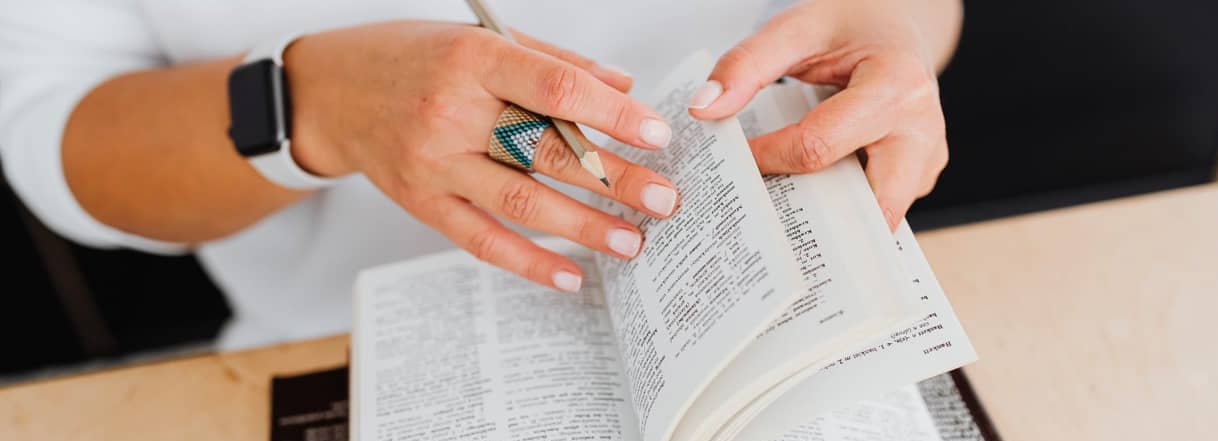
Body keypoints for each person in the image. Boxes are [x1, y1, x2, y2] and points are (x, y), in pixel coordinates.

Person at [0, 0, 961, 350]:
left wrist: (895, 33)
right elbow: (57, 139)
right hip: (342, 357)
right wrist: (311, 103)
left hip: (781, 327)